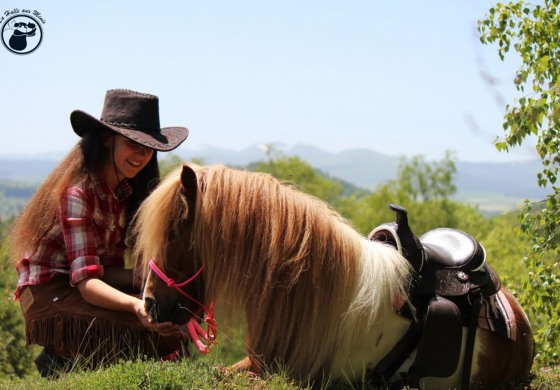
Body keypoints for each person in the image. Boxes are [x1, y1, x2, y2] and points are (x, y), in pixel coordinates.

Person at [10, 89, 190, 377]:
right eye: (133, 142)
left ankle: (73, 359)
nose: (142, 155)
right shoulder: (78, 194)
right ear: (108, 139)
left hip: (86, 281)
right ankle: (58, 362)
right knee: (134, 329)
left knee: (170, 320)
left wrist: (145, 277)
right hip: (49, 292)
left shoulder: (125, 193)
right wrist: (135, 305)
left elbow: (105, 270)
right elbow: (87, 282)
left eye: (149, 146)